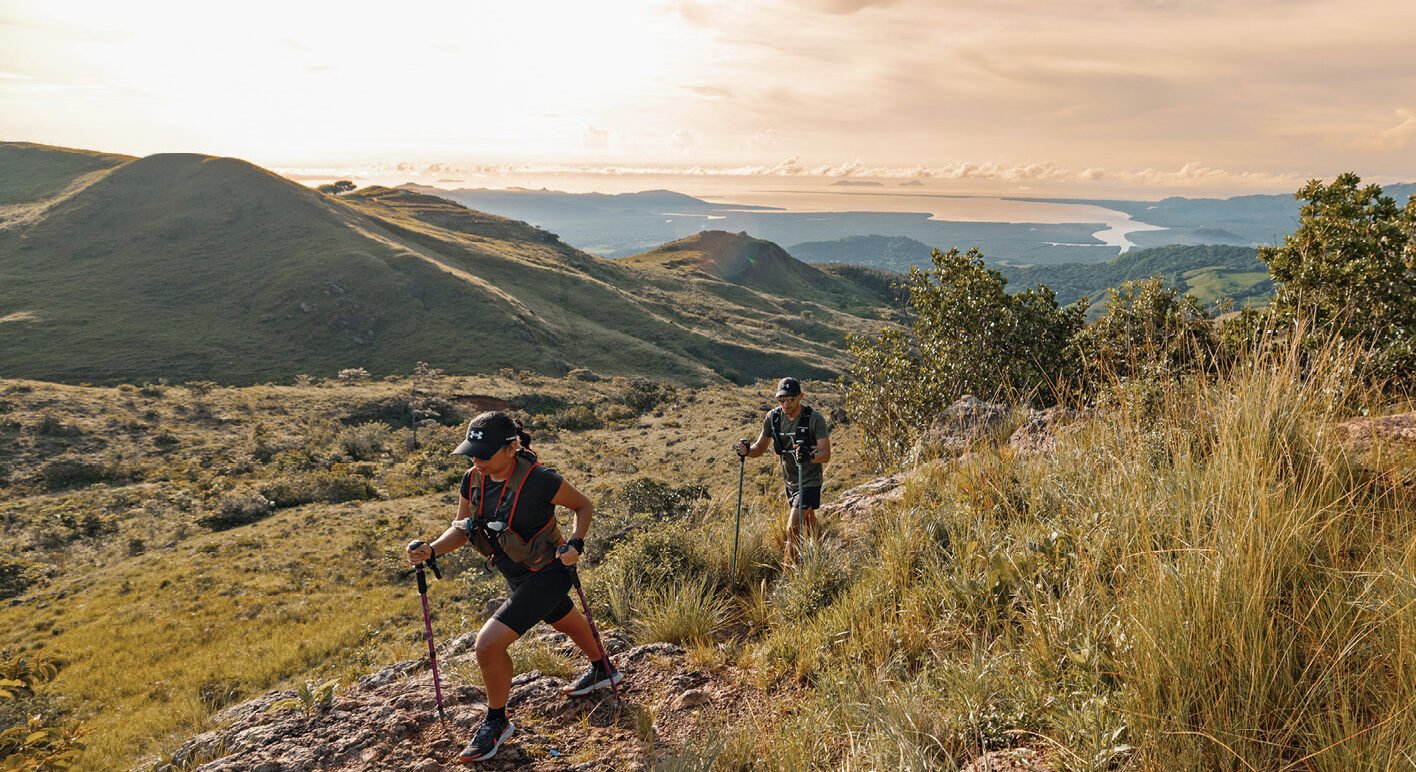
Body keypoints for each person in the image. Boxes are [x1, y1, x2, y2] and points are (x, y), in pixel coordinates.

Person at [405, 411, 621, 763]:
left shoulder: (540, 479)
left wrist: (576, 545)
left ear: (510, 447)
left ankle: (497, 721)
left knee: (487, 646)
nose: (477, 461)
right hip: (513, 570)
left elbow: (583, 505)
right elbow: (463, 528)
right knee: (562, 617)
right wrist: (432, 549)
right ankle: (603, 668)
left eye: (485, 453)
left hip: (550, 570)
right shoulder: (472, 479)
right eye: (472, 453)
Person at [734, 377, 832, 565]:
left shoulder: (814, 419)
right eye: (781, 400)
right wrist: (746, 451)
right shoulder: (773, 418)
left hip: (810, 479)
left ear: (801, 397)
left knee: (792, 528)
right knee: (809, 520)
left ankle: (789, 574)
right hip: (790, 480)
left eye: (791, 399)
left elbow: (825, 454)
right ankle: (824, 554)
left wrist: (809, 456)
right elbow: (759, 448)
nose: (786, 404)